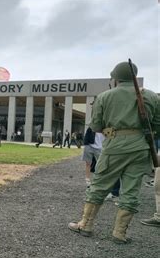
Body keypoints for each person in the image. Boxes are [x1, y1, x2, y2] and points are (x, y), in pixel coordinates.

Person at [68, 61, 160, 244]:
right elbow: (157, 125)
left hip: (114, 147)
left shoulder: (104, 97)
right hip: (141, 148)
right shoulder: (151, 96)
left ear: (116, 78)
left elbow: (95, 126)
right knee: (131, 190)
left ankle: (85, 225)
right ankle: (120, 233)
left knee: (99, 185)